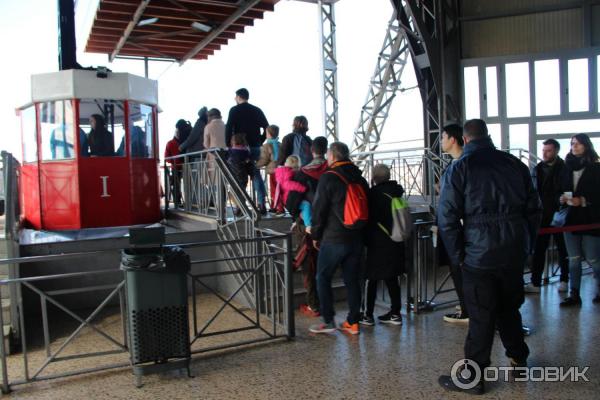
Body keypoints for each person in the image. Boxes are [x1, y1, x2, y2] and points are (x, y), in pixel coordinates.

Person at [437, 119, 542, 395]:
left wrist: (459, 254)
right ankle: (518, 357)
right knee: (509, 308)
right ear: (488, 136)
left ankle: (473, 378)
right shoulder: (514, 164)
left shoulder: (460, 168)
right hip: (512, 251)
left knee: (482, 316)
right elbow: (534, 209)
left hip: (478, 255)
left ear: (466, 139)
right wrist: (526, 245)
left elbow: (446, 217)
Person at [309, 142, 369, 336]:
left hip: (334, 238)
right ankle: (353, 322)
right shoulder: (359, 177)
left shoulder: (329, 177)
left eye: (328, 154)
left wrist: (316, 235)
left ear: (333, 156)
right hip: (357, 237)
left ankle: (328, 320)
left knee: (322, 277)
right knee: (352, 279)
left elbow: (319, 210)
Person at [360, 164, 405, 326]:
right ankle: (395, 313)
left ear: (374, 177)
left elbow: (368, 219)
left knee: (370, 278)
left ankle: (367, 315)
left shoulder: (373, 195)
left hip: (378, 242)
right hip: (397, 240)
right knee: (391, 277)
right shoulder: (397, 192)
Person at [558, 133, 600, 307]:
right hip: (570, 218)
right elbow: (559, 189)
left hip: (591, 219)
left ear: (586, 146)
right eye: (572, 143)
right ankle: (574, 293)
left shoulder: (596, 168)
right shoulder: (566, 167)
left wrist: (583, 200)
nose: (574, 147)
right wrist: (560, 199)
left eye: (578, 144)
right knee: (573, 258)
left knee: (593, 258)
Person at [291, 136, 329, 317]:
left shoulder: (303, 173)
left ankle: (314, 305)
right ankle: (326, 302)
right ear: (326, 150)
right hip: (331, 225)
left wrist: (296, 216)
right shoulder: (333, 170)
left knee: (308, 264)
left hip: (308, 226)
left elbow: (292, 201)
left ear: (311, 151)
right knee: (325, 264)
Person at [526, 138, 569, 294]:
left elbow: (567, 190)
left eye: (548, 150)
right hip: (541, 216)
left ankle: (564, 279)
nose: (544, 153)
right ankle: (535, 282)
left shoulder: (564, 169)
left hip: (558, 216)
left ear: (556, 151)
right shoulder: (536, 169)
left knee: (563, 249)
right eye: (543, 150)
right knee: (538, 250)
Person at [438, 124, 468, 324]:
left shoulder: (461, 165)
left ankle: (469, 310)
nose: (441, 141)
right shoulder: (455, 165)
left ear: (453, 140)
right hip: (460, 227)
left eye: (443, 137)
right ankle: (468, 305)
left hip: (462, 228)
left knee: (461, 268)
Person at [226, 88, 269, 214]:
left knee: (239, 177)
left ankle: (240, 206)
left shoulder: (234, 110)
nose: (234, 99)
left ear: (239, 97)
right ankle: (262, 204)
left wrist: (228, 145)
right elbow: (267, 127)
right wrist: (260, 140)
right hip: (255, 147)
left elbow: (229, 127)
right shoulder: (256, 110)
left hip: (239, 149)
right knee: (256, 175)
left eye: (235, 97)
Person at [256, 125, 282, 214]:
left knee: (274, 189)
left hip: (273, 170)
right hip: (282, 170)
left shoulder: (267, 146)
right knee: (280, 188)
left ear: (269, 134)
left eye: (266, 133)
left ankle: (276, 207)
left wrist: (256, 165)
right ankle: (279, 206)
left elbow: (264, 159)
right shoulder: (280, 144)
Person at [227, 133, 255, 215]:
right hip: (244, 176)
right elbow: (250, 165)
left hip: (233, 175)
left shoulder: (230, 151)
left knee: (232, 192)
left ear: (233, 141)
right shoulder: (247, 152)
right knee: (242, 192)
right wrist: (252, 175)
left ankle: (239, 207)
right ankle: (240, 207)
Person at [164, 127, 183, 206]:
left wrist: (173, 161)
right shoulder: (173, 143)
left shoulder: (170, 143)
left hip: (177, 166)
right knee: (176, 185)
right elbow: (166, 157)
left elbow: (166, 157)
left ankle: (177, 202)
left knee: (176, 185)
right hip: (178, 166)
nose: (178, 134)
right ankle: (178, 201)